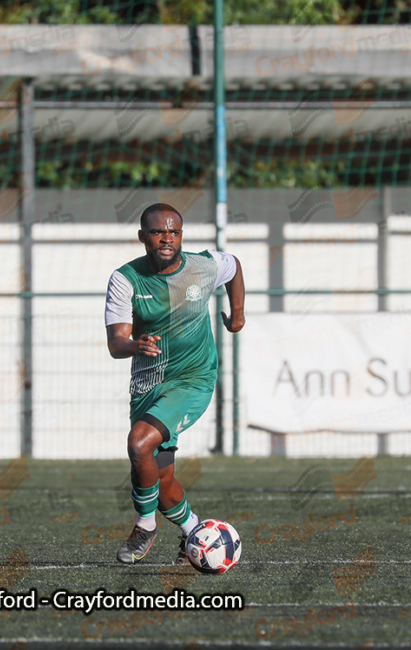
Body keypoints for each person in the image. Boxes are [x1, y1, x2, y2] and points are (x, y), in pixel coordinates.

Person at [104, 203, 245, 563]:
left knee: (139, 443)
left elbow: (234, 267)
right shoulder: (125, 280)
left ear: (181, 235)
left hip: (194, 379)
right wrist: (134, 344)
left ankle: (145, 526)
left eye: (174, 232)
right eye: (157, 232)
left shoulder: (203, 266)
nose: (166, 238)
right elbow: (116, 343)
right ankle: (193, 533)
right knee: (160, 480)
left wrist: (238, 314)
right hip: (148, 386)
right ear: (142, 237)